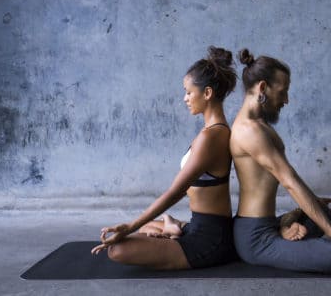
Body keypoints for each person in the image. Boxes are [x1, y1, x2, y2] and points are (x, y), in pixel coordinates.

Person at [91, 46, 238, 270]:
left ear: (207, 93)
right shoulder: (212, 132)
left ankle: (173, 227)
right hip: (198, 226)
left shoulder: (212, 136)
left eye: (189, 92)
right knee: (147, 226)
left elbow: (175, 192)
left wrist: (129, 227)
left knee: (117, 250)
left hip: (210, 241)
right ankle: (173, 226)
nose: (185, 98)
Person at [230, 48, 331, 276]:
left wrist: (313, 202)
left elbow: (290, 174)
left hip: (267, 224)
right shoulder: (249, 131)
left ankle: (284, 225)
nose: (286, 100)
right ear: (263, 88)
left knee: (321, 209)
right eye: (282, 92)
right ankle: (284, 229)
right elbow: (289, 181)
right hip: (256, 238)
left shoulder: (260, 124)